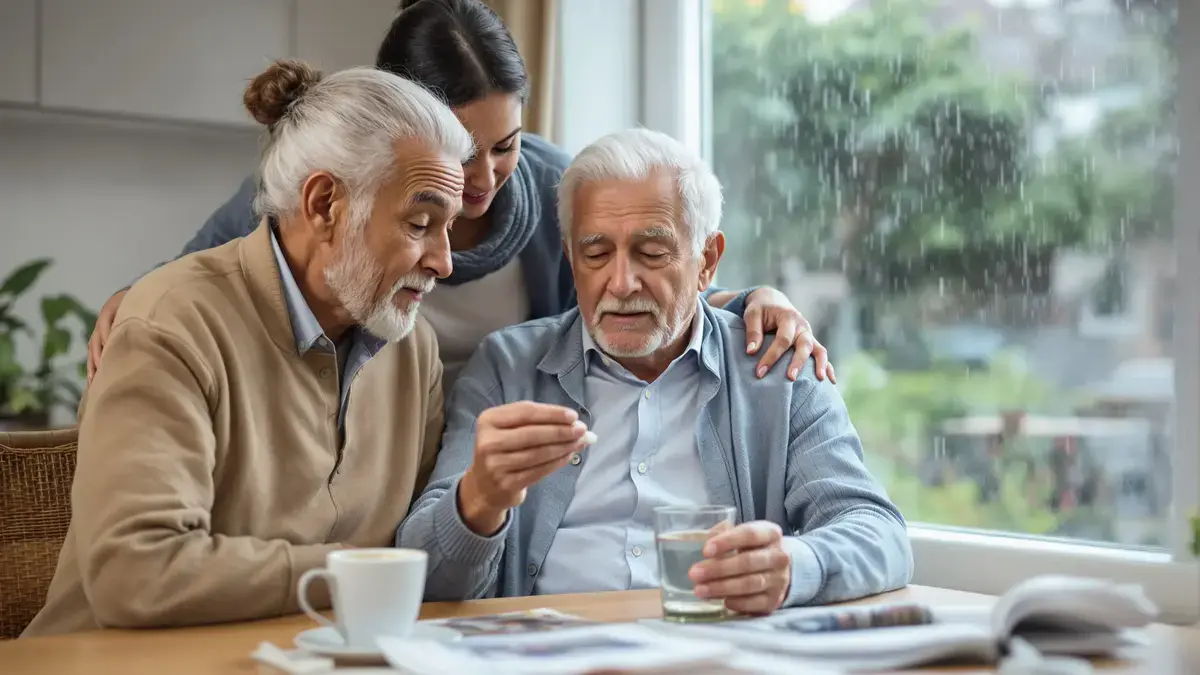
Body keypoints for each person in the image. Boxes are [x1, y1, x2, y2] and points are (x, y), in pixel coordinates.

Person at [84, 0, 835, 392]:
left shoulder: (552, 185)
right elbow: (198, 277)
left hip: (502, 464)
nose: (480, 180)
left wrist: (750, 299)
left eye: (504, 147)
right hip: (364, 466)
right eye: (458, 156)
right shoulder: (317, 188)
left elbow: (633, 292)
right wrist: (138, 299)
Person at [22, 60, 474, 636]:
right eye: (418, 224)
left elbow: (420, 550)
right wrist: (357, 574)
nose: (444, 260)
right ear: (324, 205)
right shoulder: (171, 323)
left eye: (448, 228)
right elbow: (137, 574)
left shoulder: (413, 349)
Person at [396, 129, 912, 613]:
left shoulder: (779, 368)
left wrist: (793, 567)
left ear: (707, 260)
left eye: (651, 252)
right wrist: (479, 500)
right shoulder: (507, 367)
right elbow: (424, 576)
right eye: (596, 253)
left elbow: (878, 534)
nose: (621, 283)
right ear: (571, 259)